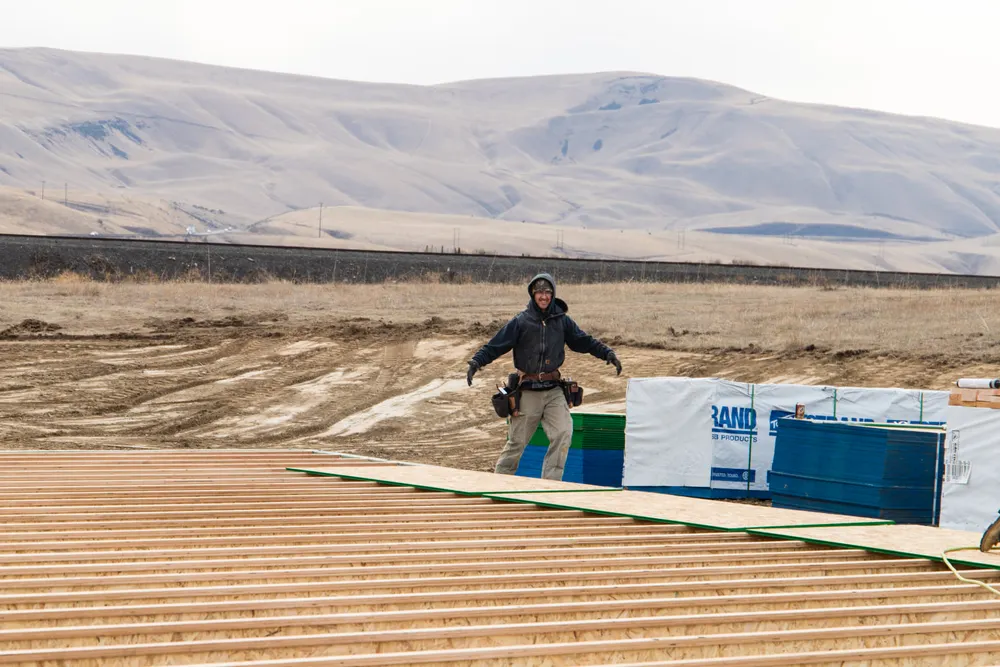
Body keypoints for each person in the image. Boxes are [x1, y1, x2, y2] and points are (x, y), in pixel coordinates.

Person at [466, 273, 622, 480]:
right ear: (532, 293)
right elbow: (495, 345)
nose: (544, 296)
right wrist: (476, 362)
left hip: (554, 390)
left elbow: (584, 341)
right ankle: (500, 483)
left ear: (553, 294)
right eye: (539, 292)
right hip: (528, 390)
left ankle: (550, 486)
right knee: (517, 442)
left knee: (563, 433)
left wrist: (607, 353)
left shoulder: (562, 321)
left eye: (548, 292)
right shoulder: (521, 321)